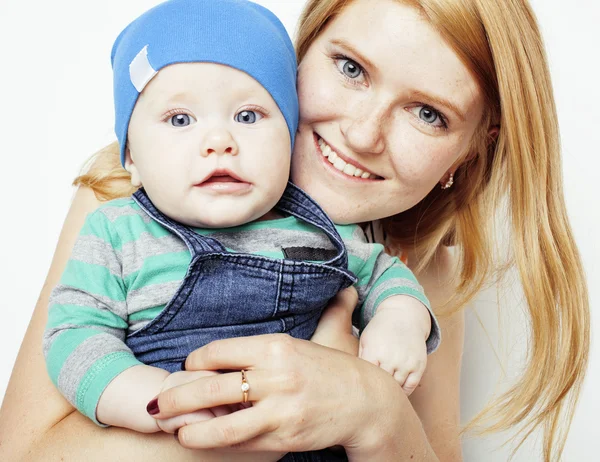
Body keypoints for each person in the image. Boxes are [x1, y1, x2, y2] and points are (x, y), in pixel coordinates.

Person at [0, 0, 589, 461]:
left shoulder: (419, 263)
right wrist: (254, 421)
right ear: (299, 53)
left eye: (428, 113)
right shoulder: (126, 203)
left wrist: (374, 411)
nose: (362, 135)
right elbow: (24, 451)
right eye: (351, 68)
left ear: (470, 150)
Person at [42, 0, 438, 435]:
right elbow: (74, 335)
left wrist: (400, 319)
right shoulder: (117, 231)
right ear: (132, 156)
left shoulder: (325, 229)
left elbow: (384, 273)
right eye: (180, 119)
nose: (218, 140)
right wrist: (150, 396)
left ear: (287, 138)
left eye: (248, 116)